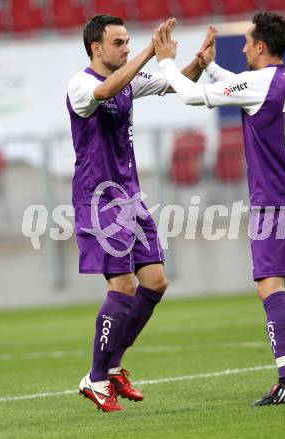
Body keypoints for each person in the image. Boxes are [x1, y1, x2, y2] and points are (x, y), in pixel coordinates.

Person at [154, 12, 285, 406]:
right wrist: (210, 67)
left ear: (260, 46)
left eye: (246, 41)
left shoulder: (259, 82)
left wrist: (166, 63)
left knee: (269, 284)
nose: (242, 47)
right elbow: (244, 88)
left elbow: (193, 97)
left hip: (273, 199)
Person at [66, 14, 215, 412]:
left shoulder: (129, 78)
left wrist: (198, 63)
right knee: (124, 287)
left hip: (131, 198)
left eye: (130, 41)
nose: (127, 48)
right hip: (100, 202)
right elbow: (104, 90)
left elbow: (173, 84)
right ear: (96, 48)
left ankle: (112, 365)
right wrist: (151, 52)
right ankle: (96, 378)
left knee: (156, 281)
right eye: (119, 43)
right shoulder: (81, 84)